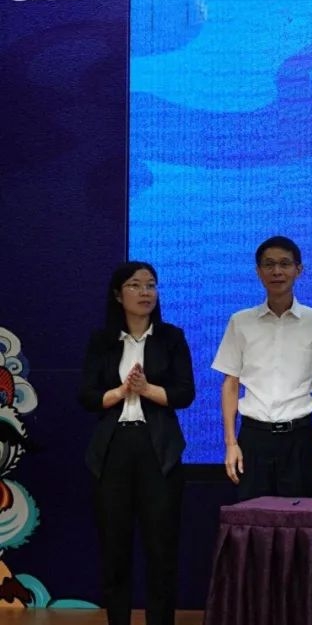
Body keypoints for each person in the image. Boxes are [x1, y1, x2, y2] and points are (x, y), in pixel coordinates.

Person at [77, 262, 195, 625]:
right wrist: (121, 391)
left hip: (157, 449)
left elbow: (184, 393)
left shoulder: (171, 337)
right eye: (135, 285)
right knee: (115, 548)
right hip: (114, 448)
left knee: (161, 548)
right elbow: (87, 396)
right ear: (118, 294)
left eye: (151, 285)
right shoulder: (102, 340)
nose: (145, 292)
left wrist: (146, 389)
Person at [212, 236, 312, 501]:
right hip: (253, 438)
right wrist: (231, 443)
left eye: (285, 264)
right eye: (269, 264)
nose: (277, 271)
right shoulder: (240, 321)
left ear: (298, 270)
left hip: (300, 438)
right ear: (258, 271)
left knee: (300, 518)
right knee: (252, 518)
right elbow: (230, 384)